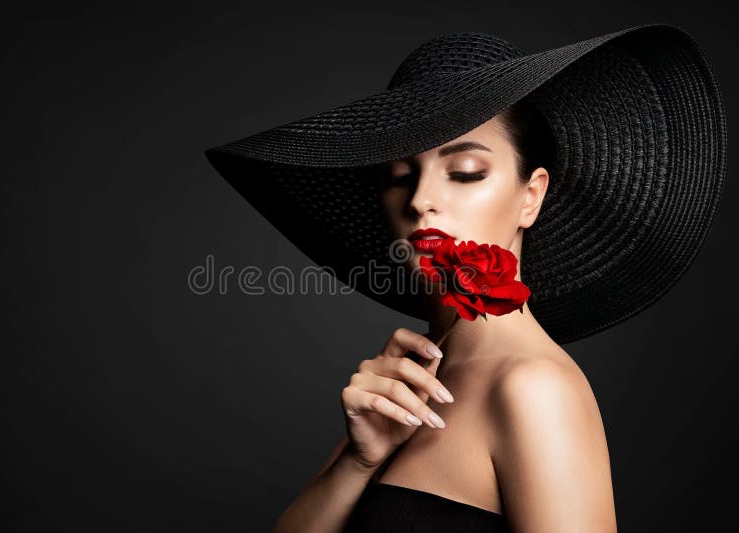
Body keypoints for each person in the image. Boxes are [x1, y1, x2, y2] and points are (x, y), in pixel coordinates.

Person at [204, 23, 726, 533]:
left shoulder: (534, 389)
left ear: (531, 196)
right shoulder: (408, 375)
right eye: (400, 176)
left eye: (466, 171)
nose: (419, 199)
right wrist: (357, 464)